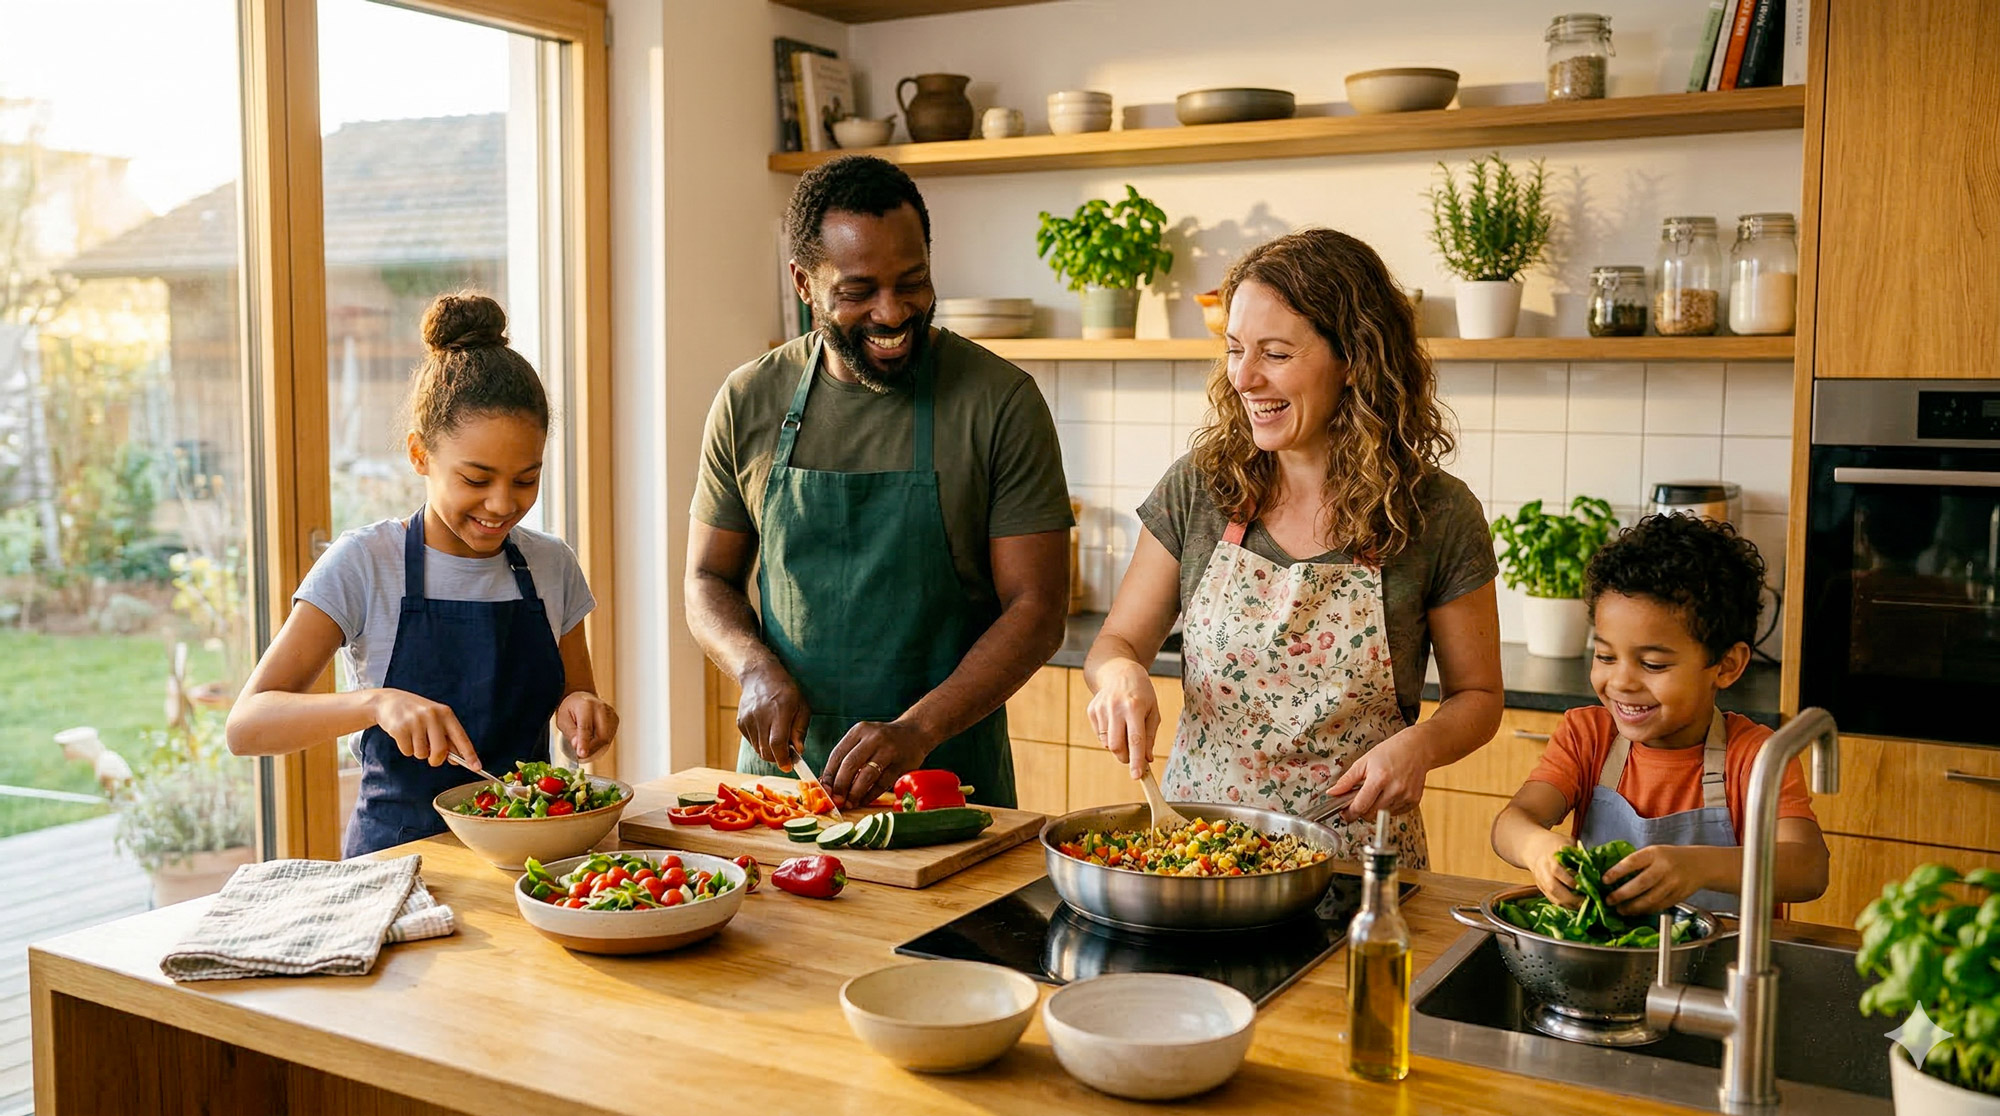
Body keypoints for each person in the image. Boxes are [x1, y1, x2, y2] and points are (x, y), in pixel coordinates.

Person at [1082, 228, 1503, 864]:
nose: (1245, 377)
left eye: (1275, 354)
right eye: (1235, 349)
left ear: (1355, 360)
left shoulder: (1438, 514)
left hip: (1357, 861)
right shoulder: (1201, 486)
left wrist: (1421, 746)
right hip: (1198, 850)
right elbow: (1116, 645)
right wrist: (1118, 676)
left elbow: (1478, 697)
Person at [685, 154, 1072, 809]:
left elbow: (1037, 611)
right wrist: (752, 668)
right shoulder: (749, 399)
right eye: (858, 291)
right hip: (782, 790)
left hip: (947, 787)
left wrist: (919, 730)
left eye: (911, 281)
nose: (892, 313)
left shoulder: (1000, 402)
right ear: (803, 283)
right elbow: (706, 579)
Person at [226, 292, 618, 857]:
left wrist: (583, 712)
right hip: (396, 863)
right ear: (419, 455)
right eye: (476, 479)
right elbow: (247, 725)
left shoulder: (551, 565)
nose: (503, 504)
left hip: (528, 861)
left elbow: (576, 694)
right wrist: (375, 703)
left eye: (525, 479)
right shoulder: (364, 564)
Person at [1490, 514, 1829, 915]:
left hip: (1720, 970)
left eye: (1652, 664)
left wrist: (1698, 867)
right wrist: (1536, 846)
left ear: (1726, 666)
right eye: (1605, 656)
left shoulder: (1755, 756)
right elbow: (1511, 823)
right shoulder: (1588, 736)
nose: (1622, 682)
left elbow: (1808, 867)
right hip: (1612, 970)